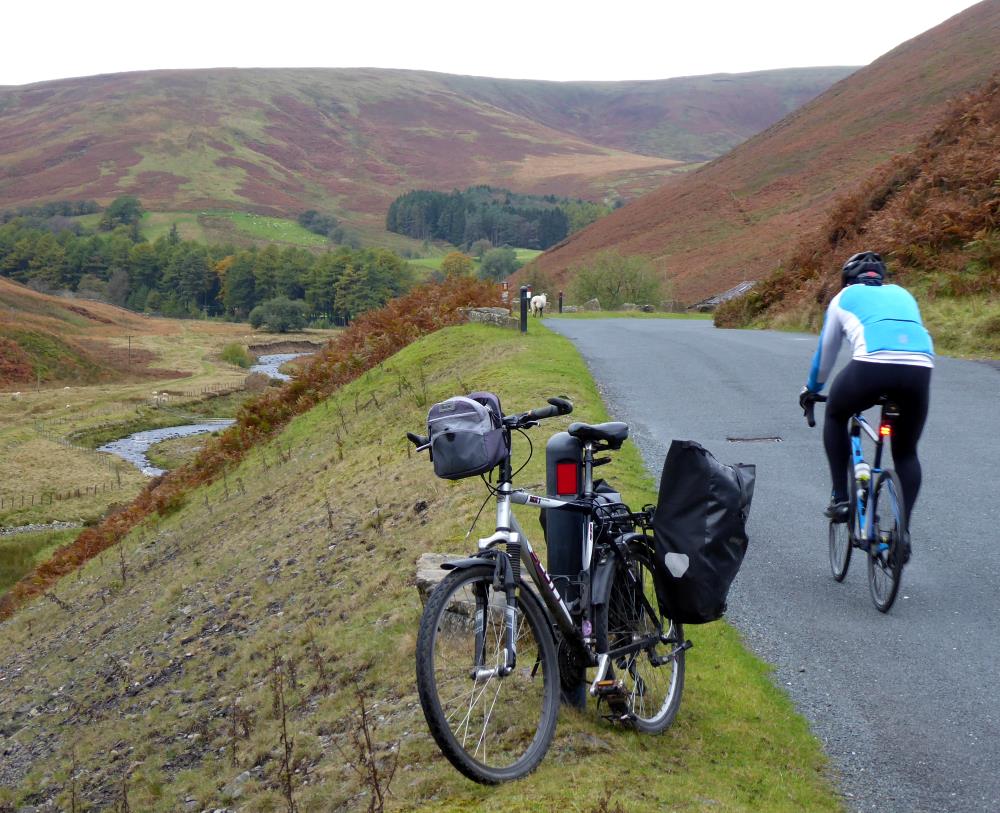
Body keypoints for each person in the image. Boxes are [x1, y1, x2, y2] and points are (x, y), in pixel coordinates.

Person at [799, 251, 933, 555]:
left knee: (835, 414)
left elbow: (825, 355)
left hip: (872, 364)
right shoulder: (903, 294)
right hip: (919, 367)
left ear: (847, 280)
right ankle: (902, 534)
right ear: (881, 278)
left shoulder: (843, 298)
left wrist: (812, 389)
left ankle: (841, 500)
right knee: (906, 452)